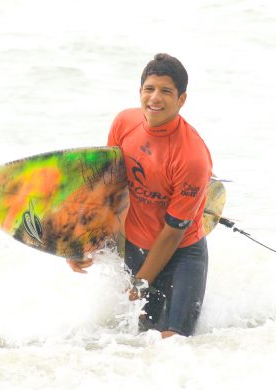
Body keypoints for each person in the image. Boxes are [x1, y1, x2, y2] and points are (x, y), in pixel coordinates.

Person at [68, 53, 213, 338]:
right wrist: (83, 243)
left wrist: (143, 281)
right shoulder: (124, 123)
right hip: (135, 246)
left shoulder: (192, 158)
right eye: (150, 89)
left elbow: (173, 233)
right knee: (139, 341)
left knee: (172, 343)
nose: (155, 98)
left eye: (166, 91)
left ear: (181, 99)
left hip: (182, 255)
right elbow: (109, 192)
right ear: (140, 91)